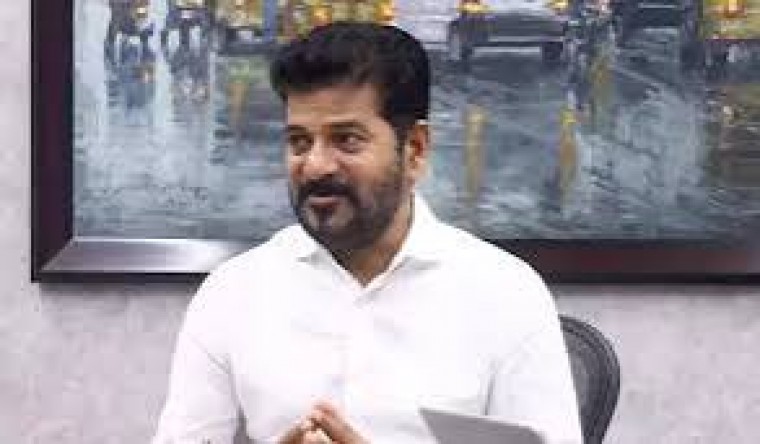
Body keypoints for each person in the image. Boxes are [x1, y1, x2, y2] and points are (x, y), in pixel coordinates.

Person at [152, 22, 582, 444]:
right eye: (299, 142)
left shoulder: (506, 294)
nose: (315, 166)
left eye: (347, 140)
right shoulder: (233, 293)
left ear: (415, 150)